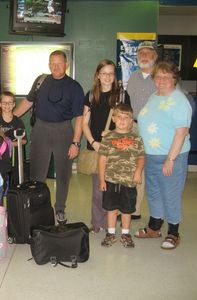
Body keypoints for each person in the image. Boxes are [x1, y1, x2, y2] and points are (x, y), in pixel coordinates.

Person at [14, 50, 84, 224]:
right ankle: (37, 207)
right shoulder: (41, 81)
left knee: (63, 174)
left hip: (64, 130)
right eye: (52, 63)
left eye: (59, 63)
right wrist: (9, 119)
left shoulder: (74, 87)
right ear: (48, 64)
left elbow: (80, 118)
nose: (56, 66)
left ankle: (60, 209)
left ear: (66, 65)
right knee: (37, 173)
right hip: (41, 129)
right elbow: (28, 102)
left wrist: (75, 142)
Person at [136, 61, 192, 250]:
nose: (161, 80)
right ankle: (154, 227)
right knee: (153, 193)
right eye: (158, 76)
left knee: (170, 195)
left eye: (166, 77)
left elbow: (181, 132)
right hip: (151, 155)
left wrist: (171, 158)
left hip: (171, 156)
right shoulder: (154, 96)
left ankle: (173, 233)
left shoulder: (180, 101)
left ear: (174, 79)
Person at [82, 59, 131, 233]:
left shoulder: (122, 96)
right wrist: (94, 143)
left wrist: (113, 138)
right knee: (98, 189)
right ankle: (97, 223)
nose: (107, 77)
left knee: (114, 190)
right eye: (104, 73)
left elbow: (127, 123)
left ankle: (110, 224)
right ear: (98, 76)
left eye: (111, 73)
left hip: (117, 149)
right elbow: (84, 124)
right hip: (97, 149)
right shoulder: (90, 95)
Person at [98, 104, 145, 248]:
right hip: (110, 180)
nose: (122, 120)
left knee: (127, 208)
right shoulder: (108, 137)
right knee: (111, 208)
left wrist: (138, 172)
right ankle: (111, 233)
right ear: (113, 119)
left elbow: (141, 157)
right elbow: (102, 159)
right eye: (119, 117)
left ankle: (125, 234)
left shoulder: (136, 139)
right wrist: (101, 179)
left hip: (128, 181)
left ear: (132, 121)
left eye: (126, 118)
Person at [126, 41, 158, 220]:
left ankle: (138, 210)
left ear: (155, 56)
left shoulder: (161, 77)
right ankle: (131, 209)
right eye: (141, 53)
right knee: (132, 168)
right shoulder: (133, 77)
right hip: (134, 126)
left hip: (153, 129)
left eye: (148, 53)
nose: (144, 56)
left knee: (146, 169)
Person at [0, 91, 27, 188]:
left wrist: (8, 143)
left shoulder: (18, 122)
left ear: (14, 104)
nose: (7, 105)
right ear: (0, 104)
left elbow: (24, 140)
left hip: (15, 160)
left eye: (10, 102)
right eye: (4, 102)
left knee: (14, 183)